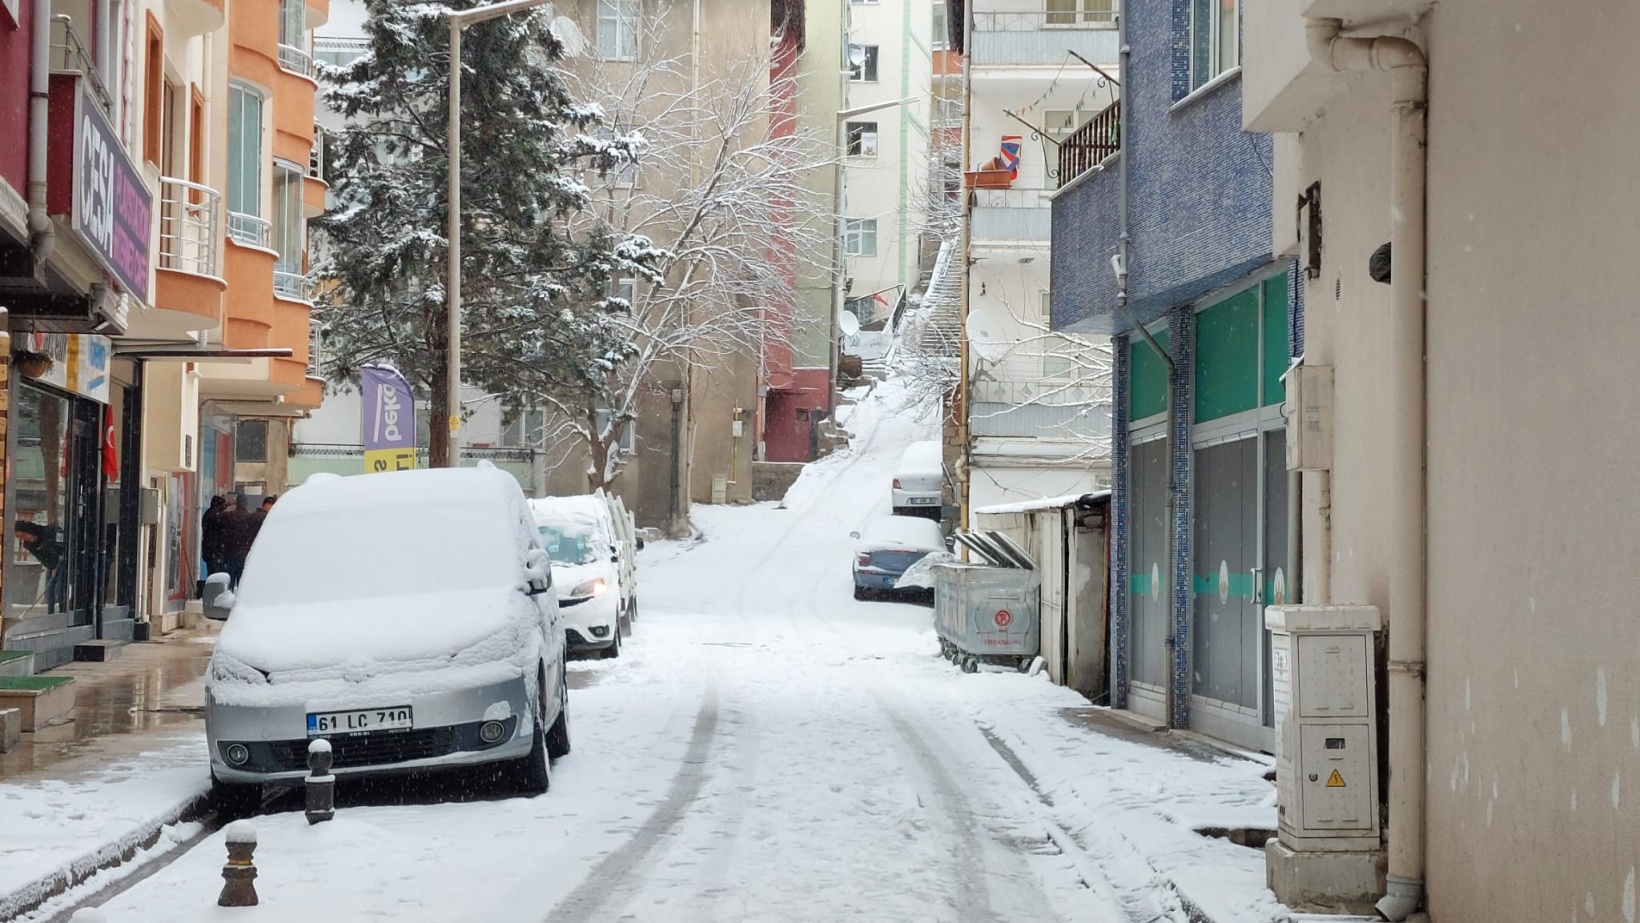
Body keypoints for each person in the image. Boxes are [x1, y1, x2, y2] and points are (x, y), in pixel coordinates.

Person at [15, 521, 66, 613]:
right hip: (51, 565)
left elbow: (62, 544)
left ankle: (63, 611)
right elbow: (42, 557)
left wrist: (60, 554)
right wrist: (51, 565)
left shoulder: (50, 531)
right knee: (49, 589)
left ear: (29, 531)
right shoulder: (29, 545)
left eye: (23, 535)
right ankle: (50, 612)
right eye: (19, 537)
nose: (23, 539)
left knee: (60, 588)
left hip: (63, 562)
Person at [220, 495, 258, 588]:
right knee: (242, 582)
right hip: (244, 552)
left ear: (237, 503)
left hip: (230, 552)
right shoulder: (251, 517)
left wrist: (224, 505)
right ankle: (240, 599)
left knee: (230, 580)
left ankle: (229, 596)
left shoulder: (228, 515)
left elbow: (216, 516)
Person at [201, 496, 227, 582]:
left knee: (213, 573)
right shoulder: (214, 515)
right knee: (215, 574)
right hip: (214, 550)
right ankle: (214, 591)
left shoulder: (208, 514)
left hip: (210, 549)